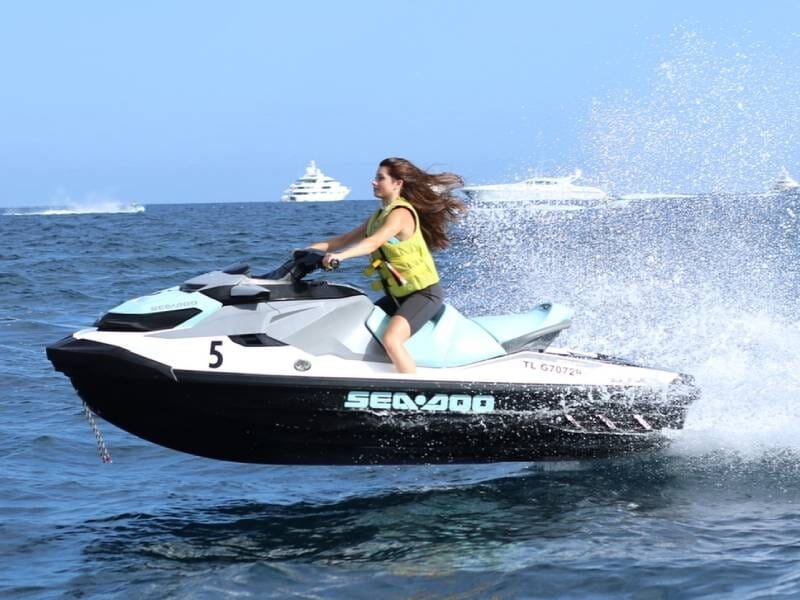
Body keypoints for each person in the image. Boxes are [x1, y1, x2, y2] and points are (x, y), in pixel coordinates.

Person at [306, 157, 466, 373]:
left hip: (424, 294)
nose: (374, 182)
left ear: (397, 183)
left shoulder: (401, 214)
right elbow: (343, 240)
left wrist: (340, 257)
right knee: (359, 324)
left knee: (391, 339)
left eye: (380, 178)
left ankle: (413, 394)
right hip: (397, 296)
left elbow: (372, 243)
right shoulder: (378, 216)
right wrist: (305, 251)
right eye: (375, 177)